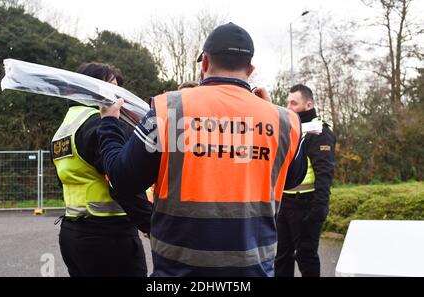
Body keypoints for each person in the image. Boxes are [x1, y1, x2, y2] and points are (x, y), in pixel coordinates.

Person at [97, 23, 307, 277]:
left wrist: (109, 123)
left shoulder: (170, 110)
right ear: (250, 69)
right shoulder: (284, 121)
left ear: (204, 63)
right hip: (253, 271)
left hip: (177, 273)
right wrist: (269, 112)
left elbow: (122, 179)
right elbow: (294, 178)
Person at [51, 62, 152, 277]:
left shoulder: (66, 127)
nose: (118, 96)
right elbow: (121, 181)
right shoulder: (100, 124)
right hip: (109, 236)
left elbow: (63, 179)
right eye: (112, 88)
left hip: (72, 232)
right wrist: (151, 225)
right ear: (90, 89)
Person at [275, 84, 336, 277]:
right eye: (288, 102)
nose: (289, 106)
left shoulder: (319, 131)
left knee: (306, 256)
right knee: (280, 256)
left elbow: (324, 173)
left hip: (306, 204)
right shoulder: (292, 128)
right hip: (284, 203)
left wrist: (319, 208)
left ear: (308, 104)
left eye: (294, 103)